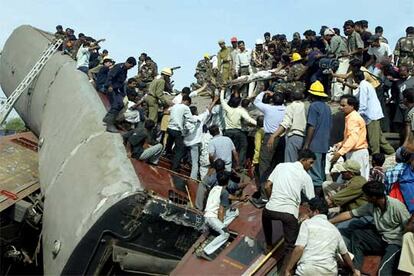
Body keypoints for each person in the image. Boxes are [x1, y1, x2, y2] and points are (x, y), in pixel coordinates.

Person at [330, 181, 411, 276]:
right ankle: (356, 271)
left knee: (383, 271)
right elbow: (350, 214)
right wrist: (328, 222)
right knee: (357, 235)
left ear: (373, 197)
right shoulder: (372, 206)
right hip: (381, 239)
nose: (364, 197)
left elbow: (408, 226)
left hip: (395, 243)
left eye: (366, 196)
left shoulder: (397, 206)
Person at [284, 198, 360, 276]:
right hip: (329, 271)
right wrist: (353, 270)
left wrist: (288, 269)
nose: (308, 214)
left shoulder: (307, 224)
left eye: (309, 211)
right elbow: (344, 254)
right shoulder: (334, 229)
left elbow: (299, 248)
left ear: (316, 211)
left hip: (307, 270)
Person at [262, 150, 315, 258]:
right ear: (303, 160)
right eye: (311, 162)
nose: (312, 166)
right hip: (289, 214)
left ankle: (268, 245)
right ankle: (287, 270)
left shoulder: (281, 166)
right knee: (290, 247)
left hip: (269, 210)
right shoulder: (306, 176)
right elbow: (312, 199)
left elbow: (267, 186)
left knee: (265, 216)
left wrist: (271, 200)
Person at [353, 70, 394, 155]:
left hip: (371, 115)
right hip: (373, 114)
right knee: (380, 138)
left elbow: (363, 104)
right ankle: (391, 152)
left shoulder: (364, 86)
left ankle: (376, 154)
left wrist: (357, 115)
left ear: (356, 78)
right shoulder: (366, 84)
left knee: (373, 139)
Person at [200, 172, 239, 260]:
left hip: (207, 216)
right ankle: (206, 251)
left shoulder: (215, 188)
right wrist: (221, 225)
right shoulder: (224, 192)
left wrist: (239, 198)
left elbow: (228, 196)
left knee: (234, 211)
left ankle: (220, 227)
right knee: (226, 234)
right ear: (228, 181)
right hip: (212, 218)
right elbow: (221, 210)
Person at [331, 95, 369, 179]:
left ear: (352, 106)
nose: (341, 108)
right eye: (340, 105)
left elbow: (353, 138)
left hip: (357, 153)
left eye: (343, 105)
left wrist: (340, 153)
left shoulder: (353, 118)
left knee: (358, 179)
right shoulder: (350, 117)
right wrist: (341, 143)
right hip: (354, 151)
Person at [303, 81, 332, 188]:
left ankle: (316, 198)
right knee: (321, 171)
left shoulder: (314, 106)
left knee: (314, 175)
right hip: (324, 144)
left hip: (315, 144)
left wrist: (307, 144)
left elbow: (312, 126)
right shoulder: (327, 107)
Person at [220, 89, 256, 169]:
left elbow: (222, 100)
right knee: (244, 146)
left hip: (227, 132)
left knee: (231, 148)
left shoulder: (227, 108)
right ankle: (239, 164)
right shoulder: (240, 111)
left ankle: (230, 164)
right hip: (238, 132)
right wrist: (259, 123)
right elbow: (249, 119)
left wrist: (222, 90)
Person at [267, 90, 306, 162]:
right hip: (303, 138)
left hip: (293, 136)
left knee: (290, 163)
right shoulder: (305, 106)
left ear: (291, 98)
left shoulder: (290, 107)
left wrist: (273, 136)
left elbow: (285, 124)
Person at [184, 98, 217, 180]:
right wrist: (214, 101)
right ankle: (193, 178)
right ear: (195, 112)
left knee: (187, 158)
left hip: (185, 142)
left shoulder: (186, 120)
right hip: (195, 144)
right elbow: (208, 110)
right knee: (195, 163)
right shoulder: (199, 118)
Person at [102, 57, 137, 132]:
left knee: (121, 104)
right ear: (128, 62)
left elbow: (121, 83)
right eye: (131, 66)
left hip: (116, 90)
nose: (130, 68)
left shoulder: (125, 71)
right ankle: (109, 125)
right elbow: (110, 76)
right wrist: (109, 86)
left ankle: (108, 119)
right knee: (115, 105)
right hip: (110, 89)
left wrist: (123, 94)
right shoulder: (118, 67)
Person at [166, 95, 192, 172]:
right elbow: (190, 118)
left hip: (169, 128)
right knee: (180, 149)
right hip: (177, 130)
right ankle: (175, 167)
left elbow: (168, 111)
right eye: (189, 104)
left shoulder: (175, 106)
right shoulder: (185, 108)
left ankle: (168, 156)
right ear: (187, 101)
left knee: (169, 145)